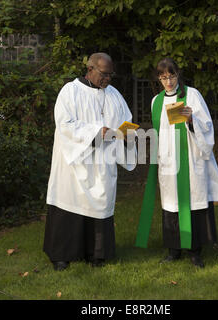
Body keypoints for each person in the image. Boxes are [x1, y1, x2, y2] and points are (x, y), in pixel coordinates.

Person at [43, 53, 136, 271]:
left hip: (102, 164)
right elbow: (64, 124)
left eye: (111, 74)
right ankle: (61, 256)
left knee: (100, 207)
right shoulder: (70, 91)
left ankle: (96, 254)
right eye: (104, 74)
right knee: (70, 204)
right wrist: (96, 132)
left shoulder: (114, 94)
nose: (108, 79)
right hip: (75, 164)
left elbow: (126, 121)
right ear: (90, 69)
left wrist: (127, 134)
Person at [140, 57, 218, 268]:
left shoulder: (192, 95)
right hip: (168, 160)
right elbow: (159, 131)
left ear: (178, 74)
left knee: (191, 202)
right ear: (158, 78)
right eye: (163, 77)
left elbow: (207, 125)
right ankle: (173, 250)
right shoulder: (156, 101)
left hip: (190, 157)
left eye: (171, 76)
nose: (168, 82)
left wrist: (191, 120)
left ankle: (195, 252)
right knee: (171, 205)